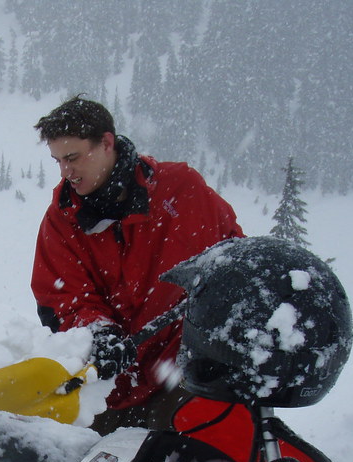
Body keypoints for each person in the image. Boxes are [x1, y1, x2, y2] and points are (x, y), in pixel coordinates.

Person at [31, 95, 244, 434]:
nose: (65, 172)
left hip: (186, 374)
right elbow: (61, 299)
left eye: (72, 157)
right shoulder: (62, 221)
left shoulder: (181, 191)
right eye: (57, 160)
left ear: (106, 143)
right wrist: (98, 332)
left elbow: (233, 259)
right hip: (111, 387)